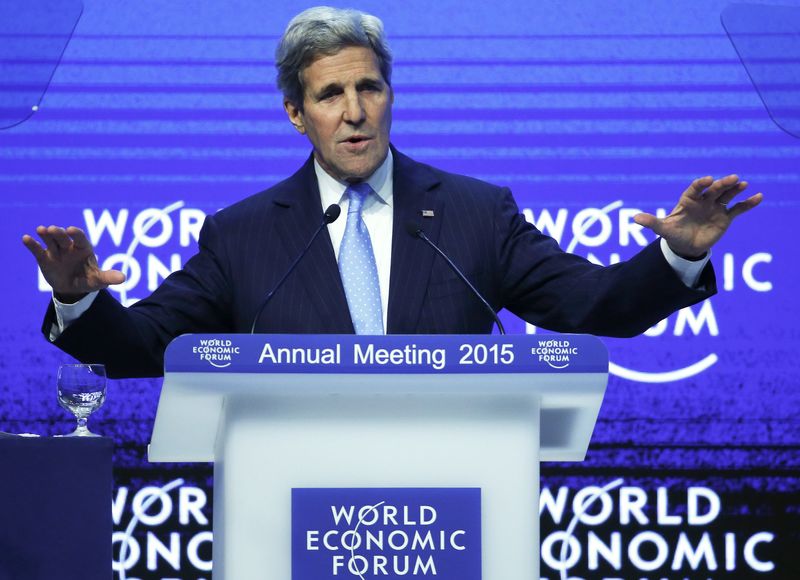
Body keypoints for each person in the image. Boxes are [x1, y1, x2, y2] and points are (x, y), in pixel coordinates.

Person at [22, 7, 761, 378]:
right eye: (330, 94)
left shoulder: (476, 214)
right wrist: (80, 299)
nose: (353, 111)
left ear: (391, 95)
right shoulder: (243, 235)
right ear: (295, 113)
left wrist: (678, 261)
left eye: (369, 87)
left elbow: (594, 306)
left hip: (457, 504)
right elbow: (142, 347)